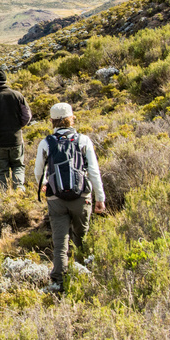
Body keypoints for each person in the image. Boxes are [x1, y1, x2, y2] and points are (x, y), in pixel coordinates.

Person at [33, 102, 106, 292]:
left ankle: (58, 282)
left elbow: (38, 171)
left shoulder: (46, 143)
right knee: (81, 237)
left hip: (56, 199)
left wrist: (45, 185)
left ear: (52, 121)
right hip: (81, 196)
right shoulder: (83, 140)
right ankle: (83, 273)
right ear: (71, 118)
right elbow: (93, 171)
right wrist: (100, 198)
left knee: (60, 243)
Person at [0, 69, 32, 191]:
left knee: (2, 170)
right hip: (16, 140)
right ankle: (19, 189)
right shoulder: (17, 95)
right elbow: (27, 116)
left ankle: (4, 195)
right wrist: (17, 126)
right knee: (18, 166)